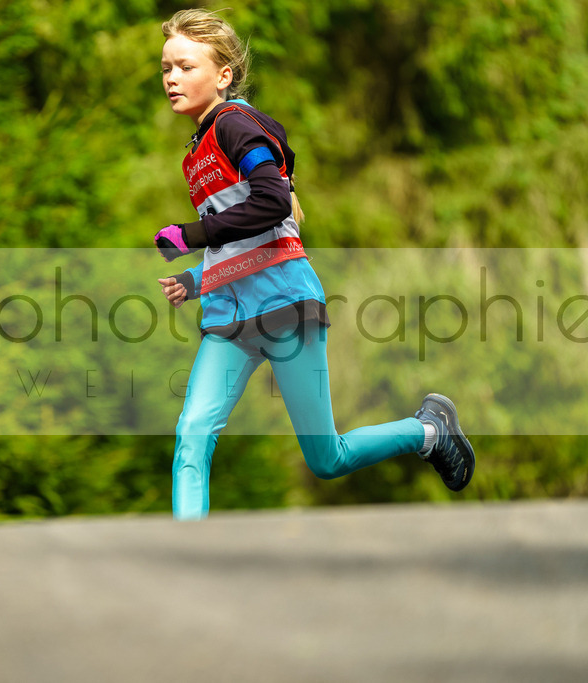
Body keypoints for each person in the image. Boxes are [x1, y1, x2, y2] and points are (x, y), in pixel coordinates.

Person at [153, 9, 475, 520]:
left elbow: (273, 202)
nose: (172, 78)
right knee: (192, 434)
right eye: (166, 68)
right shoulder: (197, 153)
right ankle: (188, 551)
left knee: (326, 459)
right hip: (229, 320)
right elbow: (245, 243)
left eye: (186, 66)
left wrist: (191, 234)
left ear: (223, 75)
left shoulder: (235, 125)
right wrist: (196, 279)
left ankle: (429, 430)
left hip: (284, 307)